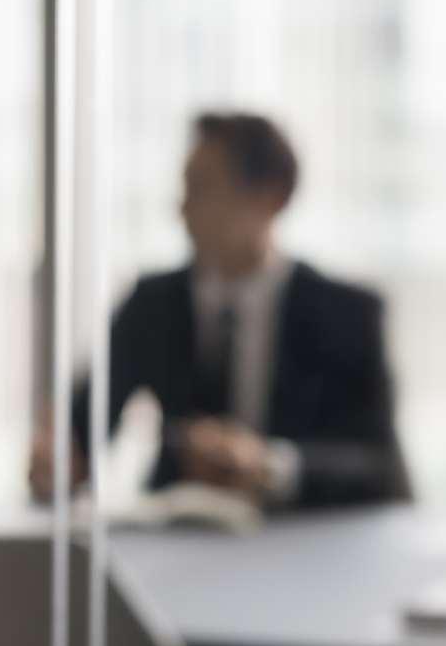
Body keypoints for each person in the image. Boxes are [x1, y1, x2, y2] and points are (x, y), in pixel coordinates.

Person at [30, 111, 411, 511]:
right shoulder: (152, 304)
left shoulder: (347, 314)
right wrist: (58, 460)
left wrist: (270, 465)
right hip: (180, 545)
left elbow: (381, 466)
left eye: (203, 189)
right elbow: (83, 429)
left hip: (309, 547)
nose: (184, 211)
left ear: (271, 196)